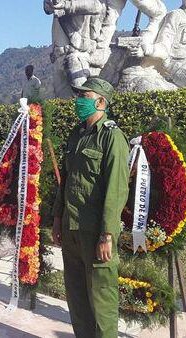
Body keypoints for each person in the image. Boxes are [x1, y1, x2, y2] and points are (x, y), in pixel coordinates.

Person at [52, 78, 130, 338]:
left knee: (101, 299)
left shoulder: (112, 137)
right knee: (76, 297)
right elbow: (66, 182)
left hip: (95, 231)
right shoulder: (77, 135)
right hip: (72, 228)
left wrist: (107, 234)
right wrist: (57, 218)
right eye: (79, 97)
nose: (79, 101)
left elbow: (116, 190)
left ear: (101, 101)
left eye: (84, 96)